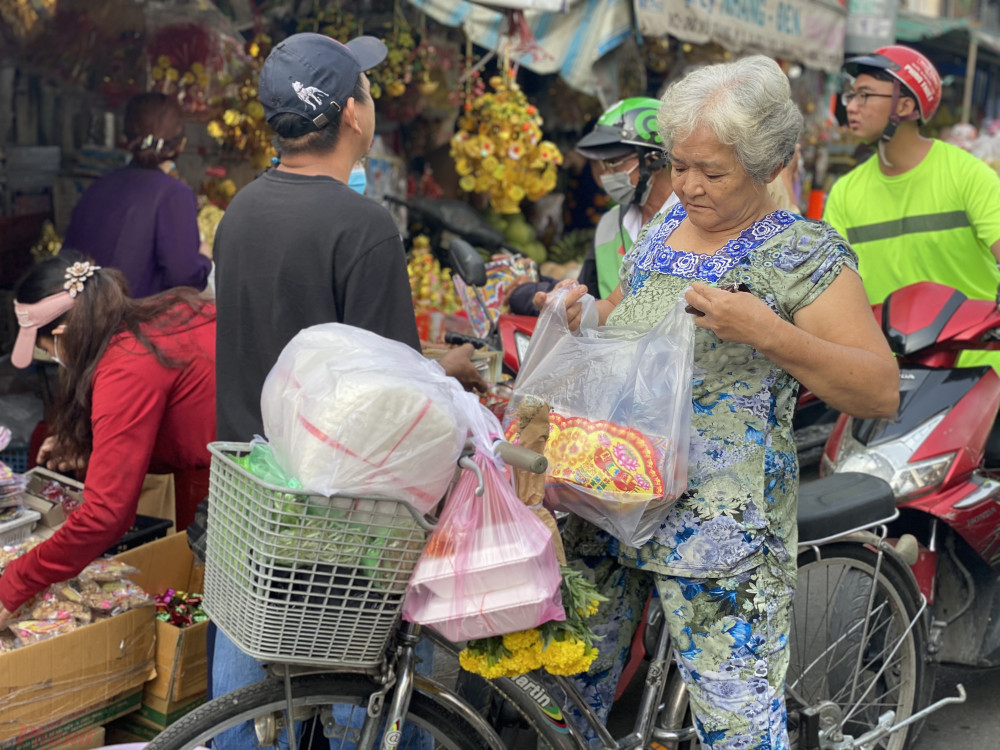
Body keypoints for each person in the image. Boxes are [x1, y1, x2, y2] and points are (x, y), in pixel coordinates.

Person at [536, 55, 899, 746]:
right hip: (611, 499)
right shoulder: (667, 221)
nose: (690, 186)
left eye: (713, 172)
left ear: (763, 165)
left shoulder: (804, 254)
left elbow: (877, 385)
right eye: (680, 165)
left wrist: (767, 332)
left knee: (734, 724)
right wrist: (587, 317)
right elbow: (628, 312)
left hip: (718, 533)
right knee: (567, 702)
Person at [209, 32, 481, 749]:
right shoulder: (361, 227)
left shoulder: (241, 212)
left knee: (252, 714)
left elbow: (304, 348)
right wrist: (444, 388)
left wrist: (432, 365)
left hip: (256, 501)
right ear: (353, 115)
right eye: (366, 88)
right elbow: (388, 403)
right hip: (339, 523)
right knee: (373, 715)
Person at [0, 251, 215, 626]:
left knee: (222, 616)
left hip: (231, 482)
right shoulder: (158, 313)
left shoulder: (125, 366)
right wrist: (91, 447)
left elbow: (106, 515)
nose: (51, 359)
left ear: (64, 335)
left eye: (47, 349)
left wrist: (14, 582)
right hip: (223, 461)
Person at [823, 45, 1000, 371]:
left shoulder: (966, 174)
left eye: (865, 95)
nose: (851, 106)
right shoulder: (845, 193)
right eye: (851, 95)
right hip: (887, 378)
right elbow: (830, 286)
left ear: (905, 105)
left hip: (978, 372)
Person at [506, 98, 678, 315]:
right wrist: (538, 289)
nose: (605, 175)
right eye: (600, 164)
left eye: (614, 163)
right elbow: (589, 298)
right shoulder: (609, 224)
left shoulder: (695, 219)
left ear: (653, 160)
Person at [63, 93, 212, 298]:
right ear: (181, 144)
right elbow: (184, 276)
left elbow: (67, 261)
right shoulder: (174, 194)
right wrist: (204, 259)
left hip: (85, 320)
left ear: (125, 139)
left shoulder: (97, 187)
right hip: (136, 322)